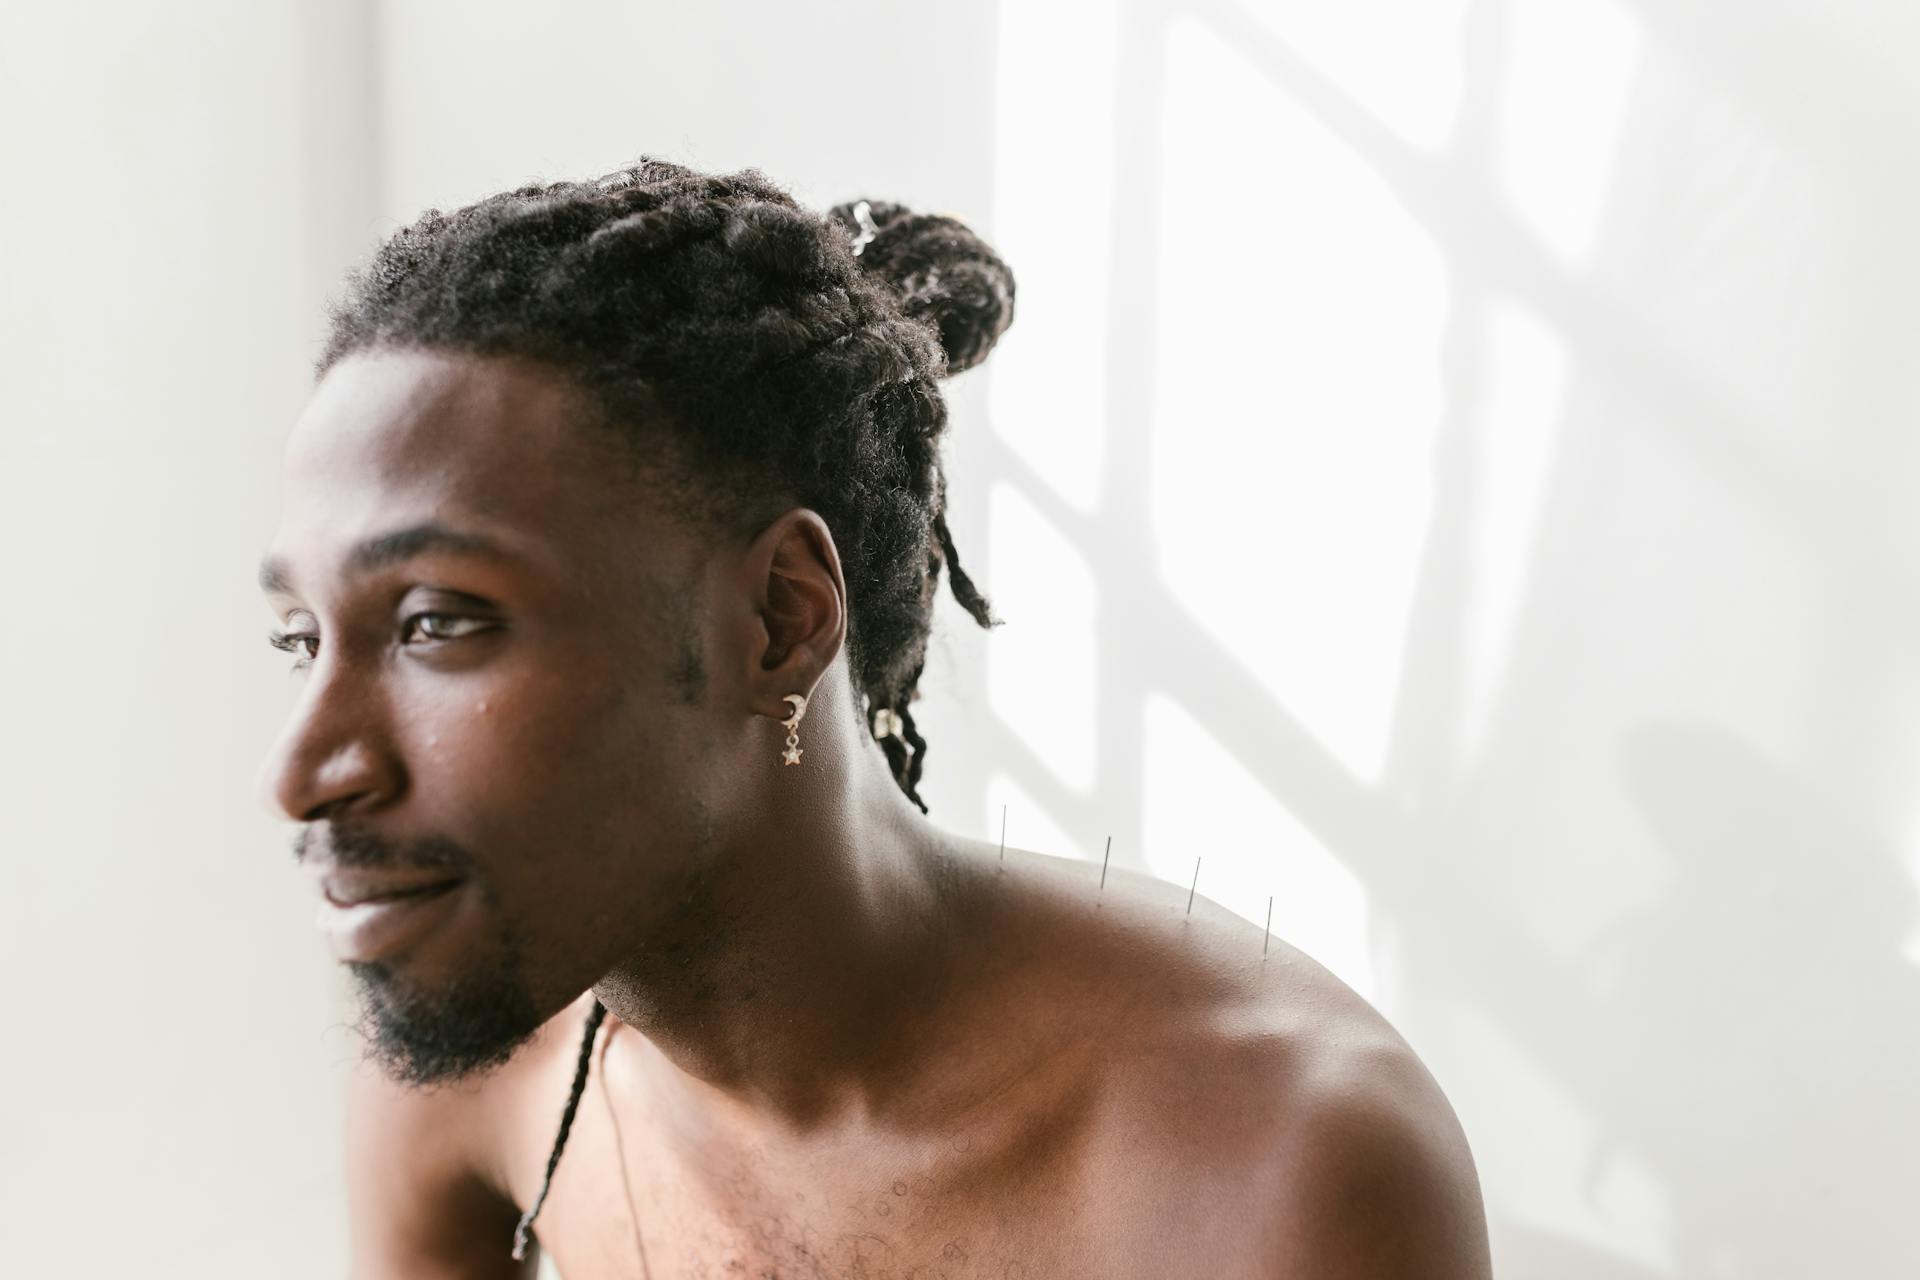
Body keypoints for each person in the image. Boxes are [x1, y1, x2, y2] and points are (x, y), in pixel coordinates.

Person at [254, 155, 1492, 1278]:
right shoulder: (488, 1064)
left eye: (439, 623)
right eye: (301, 638)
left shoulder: (1270, 1162)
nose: (305, 769)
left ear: (780, 619)